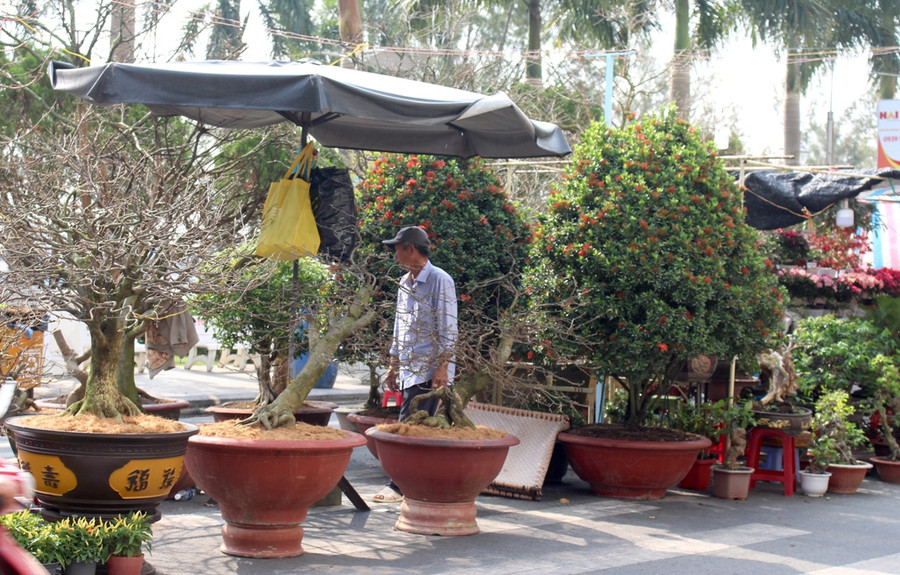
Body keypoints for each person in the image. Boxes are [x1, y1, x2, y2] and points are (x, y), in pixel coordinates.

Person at [373, 225, 458, 503]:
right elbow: (400, 327)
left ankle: (399, 487)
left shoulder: (439, 280)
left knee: (409, 424)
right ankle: (420, 485)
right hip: (408, 367)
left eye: (397, 249)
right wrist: (393, 365)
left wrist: (442, 367)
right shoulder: (404, 283)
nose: (395, 255)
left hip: (428, 368)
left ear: (410, 249)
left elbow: (448, 326)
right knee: (419, 426)